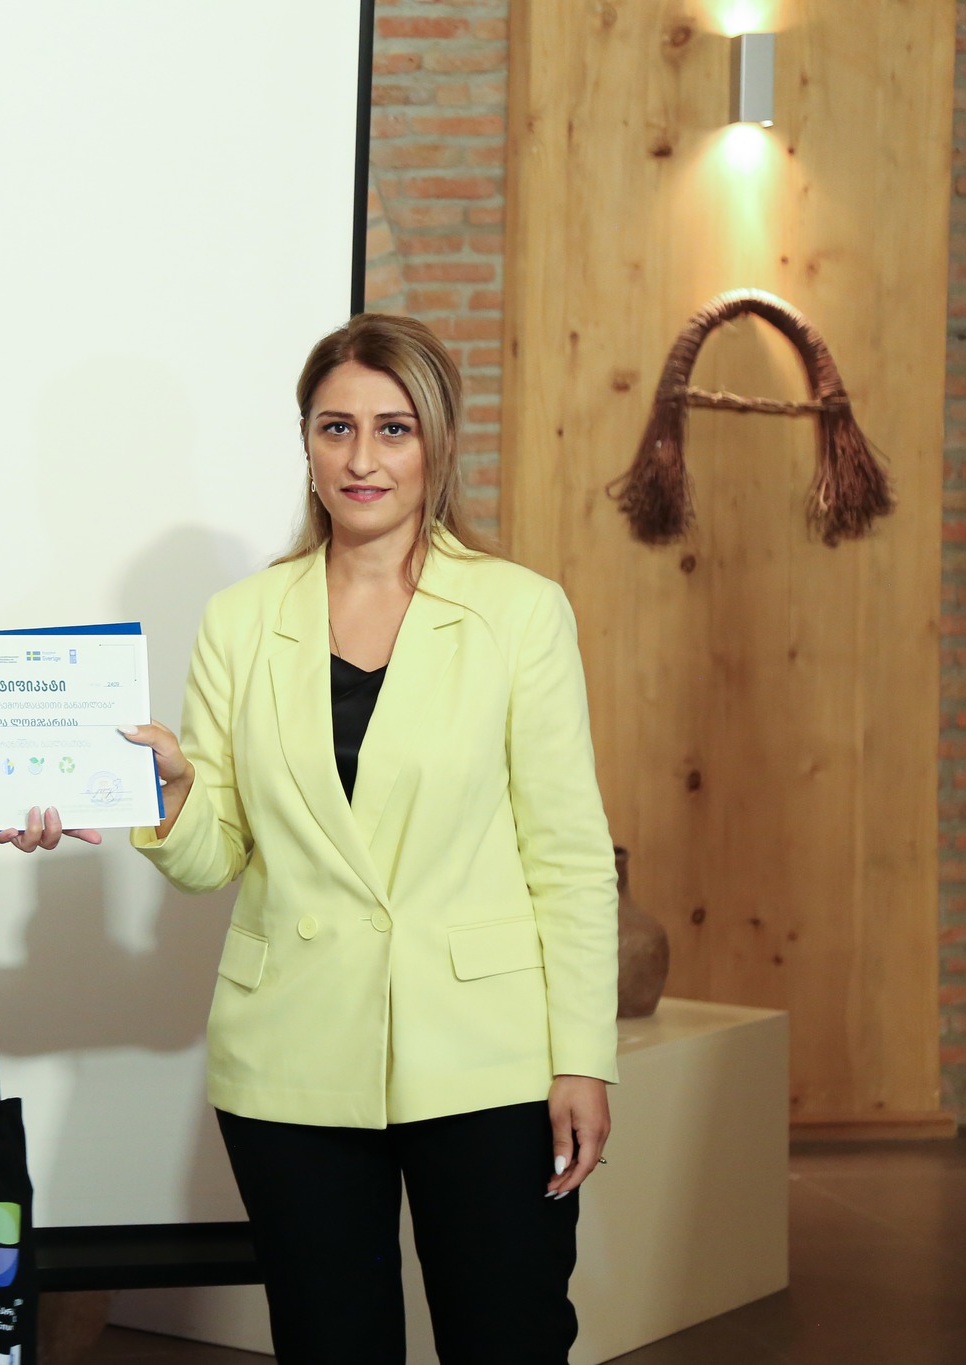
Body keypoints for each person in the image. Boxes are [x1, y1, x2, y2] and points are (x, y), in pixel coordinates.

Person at [124, 312, 618, 1363]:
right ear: (305, 443)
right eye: (335, 427)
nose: (361, 459)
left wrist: (582, 1058)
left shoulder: (518, 613)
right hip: (292, 1052)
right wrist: (174, 796)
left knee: (510, 1341)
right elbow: (215, 858)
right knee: (328, 1345)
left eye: (393, 429)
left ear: (437, 442)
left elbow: (569, 859)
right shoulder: (240, 620)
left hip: (485, 1057)